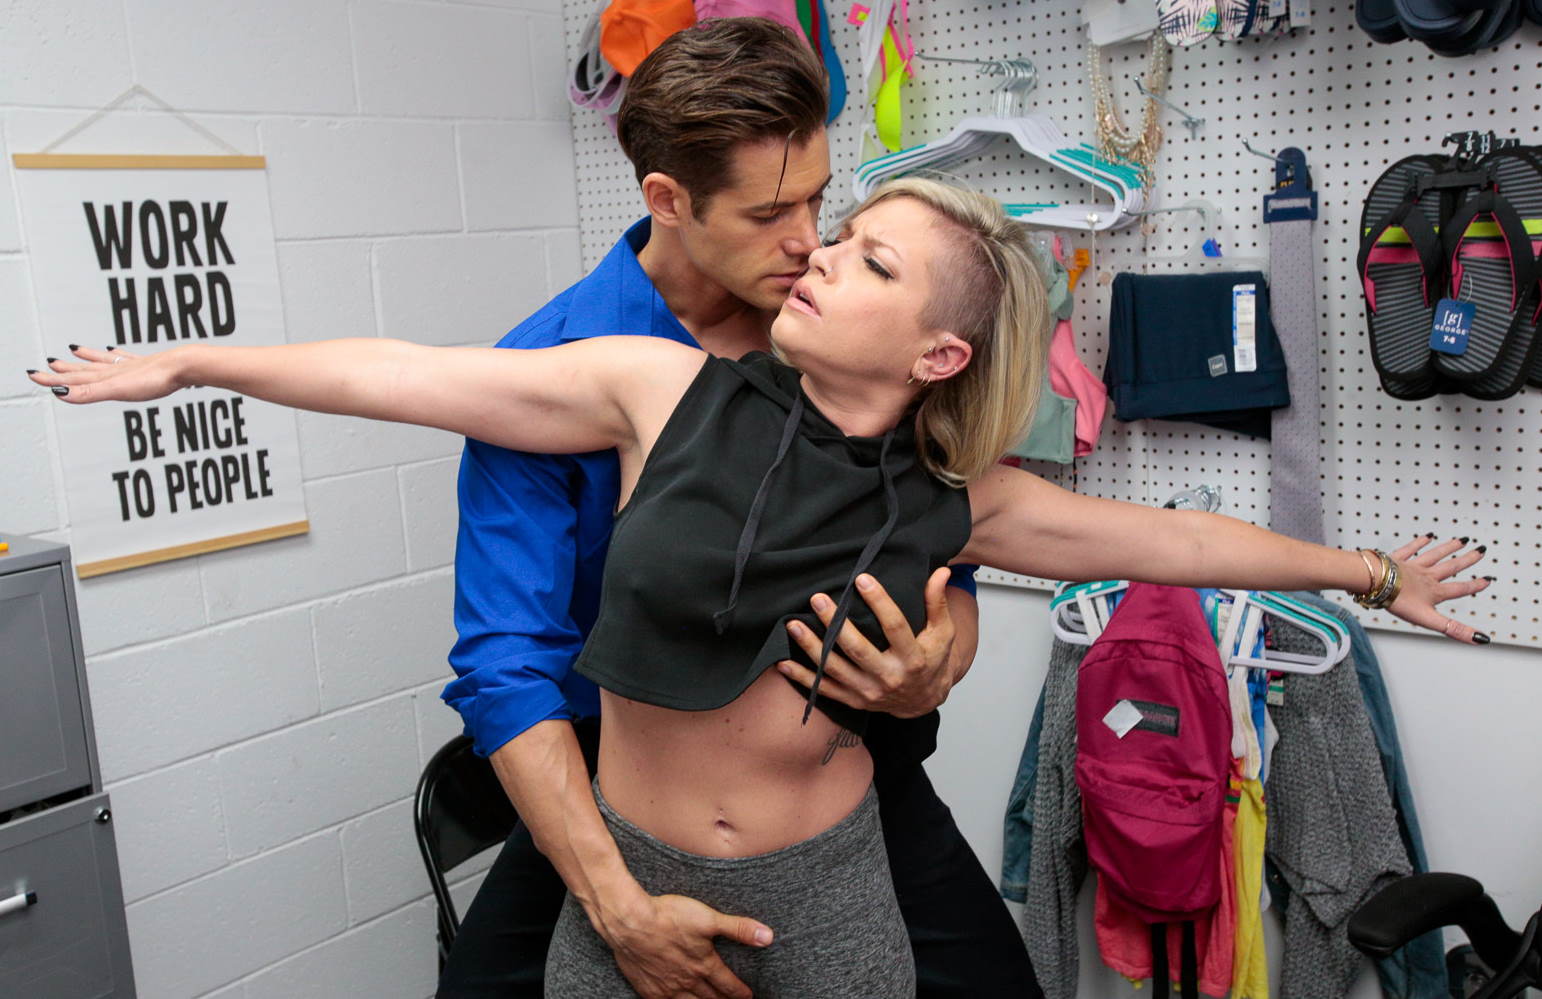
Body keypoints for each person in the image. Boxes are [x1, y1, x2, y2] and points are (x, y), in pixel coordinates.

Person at [31, 176, 1492, 997]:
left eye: (868, 264)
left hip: (826, 888)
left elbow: (1177, 543)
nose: (818, 259)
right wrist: (199, 360)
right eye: (837, 237)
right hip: (626, 870)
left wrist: (1373, 571)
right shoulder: (655, 389)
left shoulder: (963, 499)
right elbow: (412, 375)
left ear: (936, 354)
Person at [436, 18, 1036, 999]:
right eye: (769, 213)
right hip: (616, 779)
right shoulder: (555, 363)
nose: (809, 242)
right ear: (669, 200)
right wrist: (617, 906)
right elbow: (507, 663)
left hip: (830, 764)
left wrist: (936, 661)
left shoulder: (845, 331)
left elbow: (951, 547)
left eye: (818, 200)